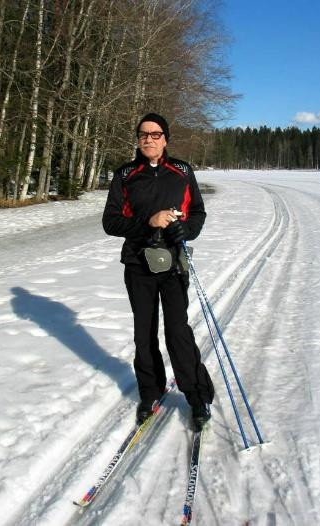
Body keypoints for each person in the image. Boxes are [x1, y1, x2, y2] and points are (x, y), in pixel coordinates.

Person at [102, 113, 214, 429]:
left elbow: (198, 213)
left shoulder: (181, 171)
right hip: (138, 263)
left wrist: (185, 230)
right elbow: (110, 221)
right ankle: (151, 391)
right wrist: (147, 222)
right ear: (138, 139)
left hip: (173, 263)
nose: (148, 139)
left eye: (155, 134)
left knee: (178, 331)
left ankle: (197, 395)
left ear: (165, 138)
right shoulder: (125, 175)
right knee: (144, 332)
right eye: (143, 134)